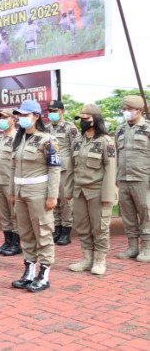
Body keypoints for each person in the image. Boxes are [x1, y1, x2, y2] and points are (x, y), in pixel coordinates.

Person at [10, 100, 61, 293]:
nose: (21, 118)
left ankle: (44, 274)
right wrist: (13, 193)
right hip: (21, 192)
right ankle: (29, 271)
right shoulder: (19, 139)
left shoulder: (47, 140)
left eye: (25, 115)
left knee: (43, 232)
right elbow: (13, 168)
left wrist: (52, 195)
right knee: (26, 232)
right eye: (19, 115)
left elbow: (55, 169)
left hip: (40, 193)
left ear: (36, 116)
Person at [66, 104, 117, 275]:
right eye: (80, 119)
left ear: (95, 120)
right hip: (79, 191)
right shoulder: (78, 141)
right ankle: (87, 259)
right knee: (82, 226)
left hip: (97, 191)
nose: (82, 122)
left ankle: (100, 261)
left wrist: (108, 195)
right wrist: (68, 191)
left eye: (85, 119)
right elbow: (71, 168)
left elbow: (110, 169)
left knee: (99, 228)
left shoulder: (106, 141)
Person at [115, 95, 150, 262]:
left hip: (142, 178)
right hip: (123, 178)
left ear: (139, 110)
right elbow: (116, 154)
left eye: (129, 109)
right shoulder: (120, 129)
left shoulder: (148, 128)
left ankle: (147, 247)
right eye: (124, 109)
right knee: (128, 215)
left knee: (146, 213)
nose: (126, 112)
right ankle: (132, 246)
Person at [0, 109, 22, 256]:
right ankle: (7, 241)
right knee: (3, 214)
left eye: (5, 117)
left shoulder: (19, 138)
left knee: (14, 214)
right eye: (0, 117)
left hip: (11, 182)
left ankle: (16, 243)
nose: (1, 120)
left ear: (13, 120)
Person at [45, 99, 78, 245]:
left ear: (62, 111)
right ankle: (57, 229)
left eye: (55, 111)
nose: (52, 114)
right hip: (50, 169)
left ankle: (66, 231)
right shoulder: (45, 128)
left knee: (66, 201)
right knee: (54, 199)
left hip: (65, 169)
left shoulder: (70, 128)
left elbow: (75, 150)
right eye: (50, 111)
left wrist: (75, 170)